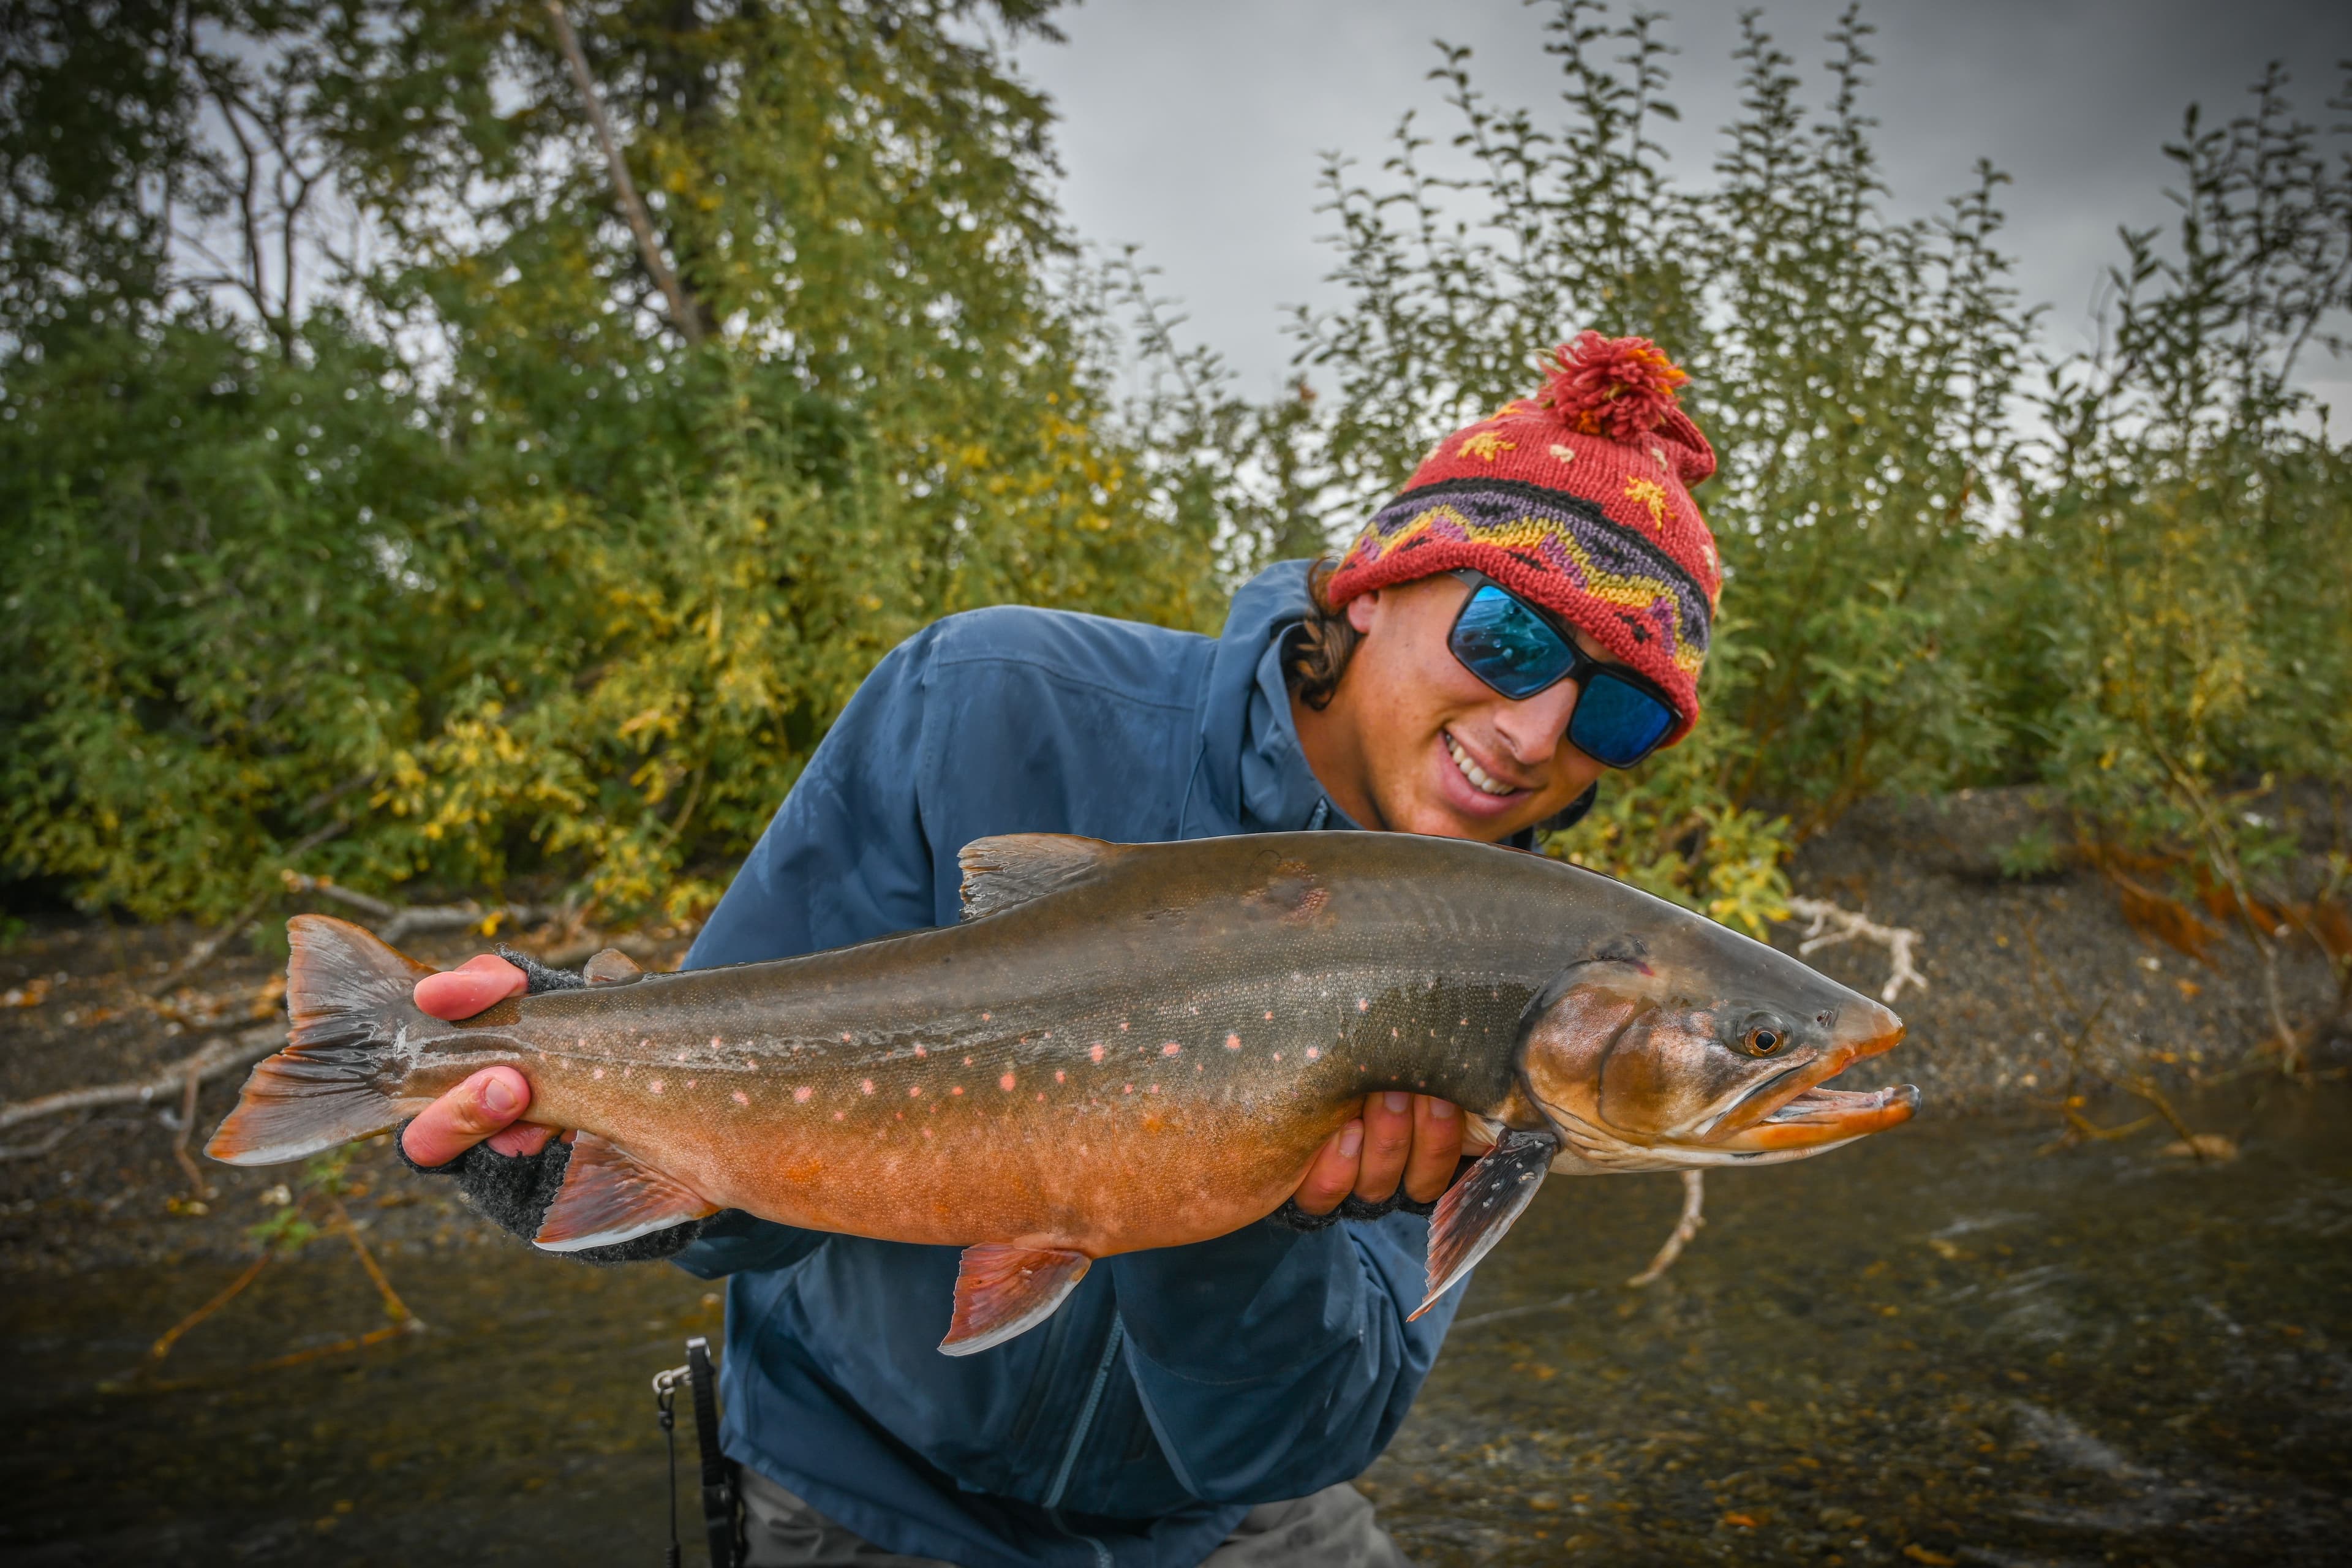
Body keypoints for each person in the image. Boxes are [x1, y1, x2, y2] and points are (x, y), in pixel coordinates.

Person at [394, 333, 1723, 1567]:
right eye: (1508, 634)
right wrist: (578, 1121)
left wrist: (1240, 1211)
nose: (1537, 728)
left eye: (1613, 707)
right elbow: (735, 1172)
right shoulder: (987, 702)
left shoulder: (1527, 981)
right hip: (862, 1475)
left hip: (1213, 1520)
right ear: (1375, 586)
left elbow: (1297, 1440)